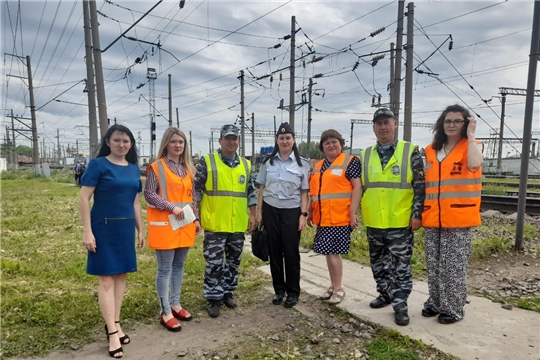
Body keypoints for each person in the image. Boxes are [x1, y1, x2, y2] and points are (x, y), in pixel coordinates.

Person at [79, 124, 145, 358]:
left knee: (120, 277)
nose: (121, 145)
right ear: (108, 141)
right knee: (106, 279)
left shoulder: (134, 169)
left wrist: (140, 229)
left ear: (131, 144)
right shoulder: (98, 165)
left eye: (126, 141)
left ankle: (116, 323)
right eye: (117, 140)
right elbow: (84, 198)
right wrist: (87, 231)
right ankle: (111, 332)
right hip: (103, 228)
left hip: (125, 228)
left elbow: (136, 201)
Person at [360, 108, 425, 326]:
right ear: (374, 128)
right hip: (374, 221)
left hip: (400, 221)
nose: (383, 127)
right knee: (378, 264)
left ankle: (400, 305)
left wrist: (417, 215)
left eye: (387, 122)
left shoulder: (411, 151)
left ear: (395, 125)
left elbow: (420, 186)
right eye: (379, 124)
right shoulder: (365, 154)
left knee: (401, 266)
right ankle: (385, 294)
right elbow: (358, 187)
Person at [421, 104, 483, 324]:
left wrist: (472, 135)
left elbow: (475, 165)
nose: (451, 125)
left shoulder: (471, 147)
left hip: (458, 217)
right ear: (441, 123)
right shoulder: (430, 150)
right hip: (432, 217)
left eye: (457, 121)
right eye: (448, 121)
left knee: (454, 266)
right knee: (435, 264)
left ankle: (454, 308)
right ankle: (436, 302)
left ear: (465, 123)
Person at [194, 124, 257, 318]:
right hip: (215, 222)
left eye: (235, 138)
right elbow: (195, 190)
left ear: (238, 141)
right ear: (220, 140)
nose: (231, 142)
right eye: (228, 138)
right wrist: (195, 214)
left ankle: (228, 292)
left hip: (237, 223)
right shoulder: (207, 162)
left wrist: (253, 215)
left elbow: (251, 192)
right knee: (214, 262)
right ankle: (213, 297)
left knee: (233, 261)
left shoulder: (246, 165)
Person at [144, 128, 202, 332]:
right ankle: (165, 310)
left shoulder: (187, 168)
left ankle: (175, 303)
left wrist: (195, 219)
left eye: (181, 142)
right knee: (165, 268)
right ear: (166, 144)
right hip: (165, 225)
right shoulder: (156, 167)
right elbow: (149, 194)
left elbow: (192, 197)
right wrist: (171, 207)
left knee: (179, 267)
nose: (178, 145)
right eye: (174, 142)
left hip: (184, 224)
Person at [255, 122, 310, 308]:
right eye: (281, 138)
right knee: (275, 252)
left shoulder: (302, 164)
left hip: (292, 211)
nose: (285, 141)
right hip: (270, 210)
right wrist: (259, 212)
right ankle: (279, 290)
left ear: (294, 140)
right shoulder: (267, 162)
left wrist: (303, 214)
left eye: (288, 138)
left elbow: (304, 192)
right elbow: (261, 188)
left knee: (291, 253)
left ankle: (293, 292)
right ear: (277, 141)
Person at [308, 129, 362, 305]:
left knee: (333, 253)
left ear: (341, 143)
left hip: (340, 216)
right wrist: (310, 211)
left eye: (334, 142)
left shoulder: (350, 162)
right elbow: (314, 192)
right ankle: (332, 286)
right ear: (322, 147)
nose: (331, 145)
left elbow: (357, 188)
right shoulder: (318, 166)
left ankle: (339, 288)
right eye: (327, 143)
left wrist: (353, 213)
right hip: (323, 217)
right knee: (327, 252)